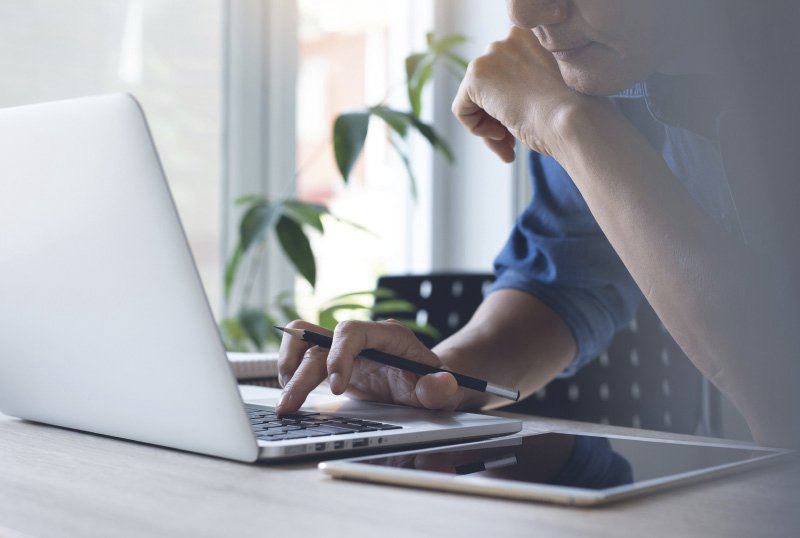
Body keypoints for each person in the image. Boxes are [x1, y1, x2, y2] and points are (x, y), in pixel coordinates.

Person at [277, 0, 800, 448]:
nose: (524, 13)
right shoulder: (610, 74)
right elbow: (562, 285)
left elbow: (780, 401)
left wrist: (569, 126)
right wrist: (432, 374)